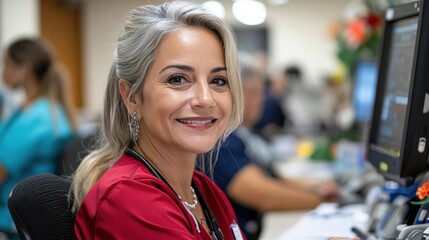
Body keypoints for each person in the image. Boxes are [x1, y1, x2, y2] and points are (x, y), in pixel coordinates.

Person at [70, 1, 246, 239]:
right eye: (177, 79)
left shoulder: (205, 191)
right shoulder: (128, 198)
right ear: (131, 96)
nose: (205, 99)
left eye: (218, 81)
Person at [210, 52, 340, 240]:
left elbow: (273, 177)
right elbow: (265, 196)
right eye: (254, 92)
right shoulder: (222, 143)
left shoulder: (242, 135)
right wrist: (323, 202)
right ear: (232, 94)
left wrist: (313, 186)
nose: (262, 99)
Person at [0, 38, 75, 232]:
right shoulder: (30, 110)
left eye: (6, 63)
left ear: (24, 69)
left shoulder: (37, 118)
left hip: (12, 219)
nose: (3, 71)